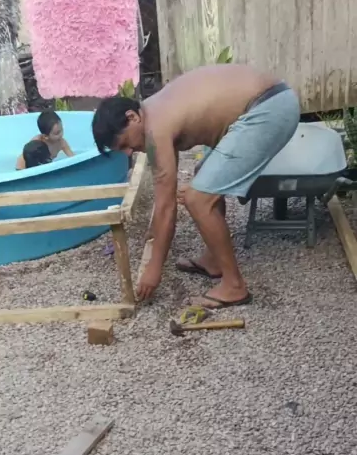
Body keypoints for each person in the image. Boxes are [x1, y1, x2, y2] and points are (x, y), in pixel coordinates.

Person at [91, 66, 300, 307]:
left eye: (125, 143)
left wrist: (153, 269)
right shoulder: (154, 112)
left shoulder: (155, 128)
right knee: (204, 177)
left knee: (198, 198)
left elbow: (167, 206)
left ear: (132, 117)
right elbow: (164, 191)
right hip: (269, 100)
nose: (129, 152)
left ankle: (234, 286)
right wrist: (155, 230)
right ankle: (213, 260)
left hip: (269, 108)